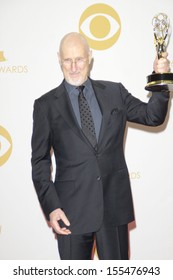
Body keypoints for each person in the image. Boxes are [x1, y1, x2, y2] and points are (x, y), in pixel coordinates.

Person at [31, 32, 170, 260]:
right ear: (59, 59)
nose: (74, 66)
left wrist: (161, 76)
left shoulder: (114, 93)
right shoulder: (45, 105)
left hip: (113, 210)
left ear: (90, 57)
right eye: (68, 60)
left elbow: (152, 116)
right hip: (70, 214)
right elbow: (39, 161)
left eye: (80, 59)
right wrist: (52, 206)